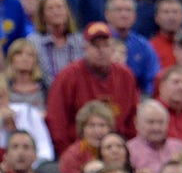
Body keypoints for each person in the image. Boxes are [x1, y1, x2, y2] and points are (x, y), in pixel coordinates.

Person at [45, 21, 141, 154]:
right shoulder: (68, 76)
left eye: (105, 45)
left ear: (112, 48)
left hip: (118, 150)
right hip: (79, 150)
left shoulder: (126, 76)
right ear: (85, 48)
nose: (101, 50)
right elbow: (57, 121)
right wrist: (67, 153)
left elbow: (133, 119)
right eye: (95, 46)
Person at [126, 99, 182, 173]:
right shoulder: (128, 150)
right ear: (137, 123)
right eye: (151, 122)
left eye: (161, 122)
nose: (156, 128)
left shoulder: (180, 147)